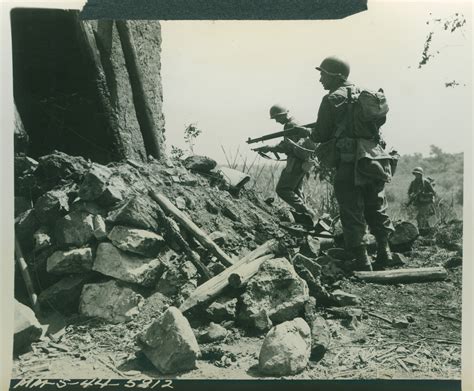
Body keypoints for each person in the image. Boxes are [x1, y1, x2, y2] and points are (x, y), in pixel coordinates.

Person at [308, 56, 395, 271]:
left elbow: (320, 134)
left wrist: (310, 131)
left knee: (351, 208)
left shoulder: (331, 99)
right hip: (374, 159)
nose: (320, 79)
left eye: (323, 74)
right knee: (375, 205)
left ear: (335, 76)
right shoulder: (366, 95)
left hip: (349, 161)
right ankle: (385, 252)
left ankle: (362, 260)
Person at [258, 105, 317, 227]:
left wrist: (269, 148)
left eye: (277, 118)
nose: (276, 120)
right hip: (303, 162)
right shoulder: (296, 123)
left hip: (295, 162)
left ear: (283, 115)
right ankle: (306, 219)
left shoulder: (291, 126)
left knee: (283, 189)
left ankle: (308, 213)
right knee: (295, 190)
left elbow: (287, 146)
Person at [407, 167, 437, 234]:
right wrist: (411, 196)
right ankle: (425, 231)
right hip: (419, 202)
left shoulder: (426, 182)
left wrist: (424, 194)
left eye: (418, 174)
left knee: (420, 216)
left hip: (427, 202)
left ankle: (422, 230)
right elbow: (409, 192)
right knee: (422, 217)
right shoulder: (413, 183)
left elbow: (433, 192)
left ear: (421, 174)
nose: (417, 175)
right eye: (415, 174)